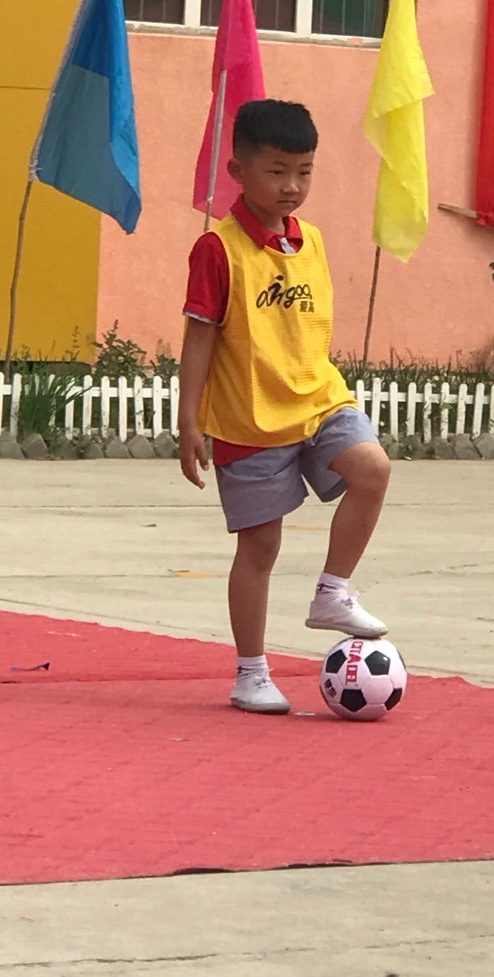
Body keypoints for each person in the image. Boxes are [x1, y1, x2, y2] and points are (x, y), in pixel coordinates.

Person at [178, 98, 392, 714]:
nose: (291, 186)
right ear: (238, 170)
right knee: (260, 549)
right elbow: (199, 337)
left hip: (318, 399)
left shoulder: (312, 241)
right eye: (276, 171)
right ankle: (251, 673)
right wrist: (189, 420)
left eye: (304, 172)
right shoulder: (217, 249)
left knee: (373, 469)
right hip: (249, 417)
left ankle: (332, 592)